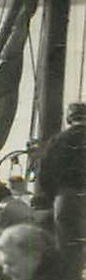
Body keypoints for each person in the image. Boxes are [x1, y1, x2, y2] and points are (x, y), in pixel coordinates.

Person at [35, 102, 86, 260]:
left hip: (67, 196)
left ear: (69, 118)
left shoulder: (58, 141)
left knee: (68, 247)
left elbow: (45, 173)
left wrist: (54, 196)